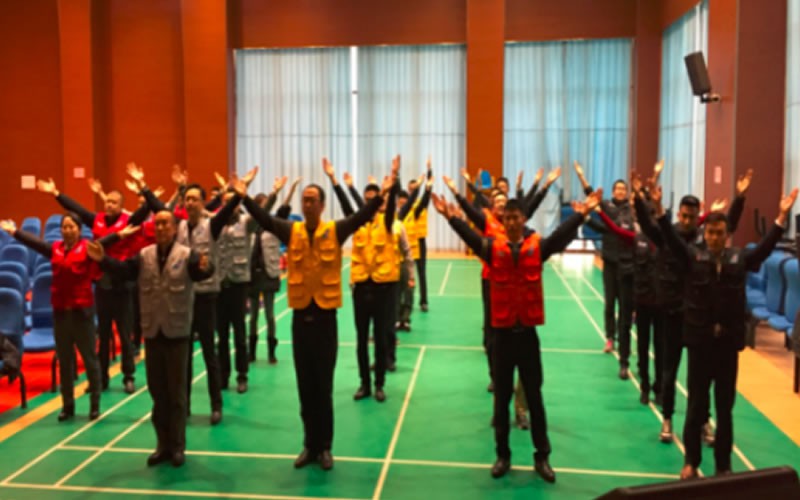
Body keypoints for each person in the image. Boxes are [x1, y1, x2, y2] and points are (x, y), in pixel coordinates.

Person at [433, 189, 603, 482]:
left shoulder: (537, 247)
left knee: (534, 397)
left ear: (524, 219)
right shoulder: (491, 248)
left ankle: (542, 456)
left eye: (516, 217)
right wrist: (451, 217)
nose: (511, 222)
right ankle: (503, 455)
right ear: (504, 220)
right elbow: (469, 237)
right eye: (507, 218)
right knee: (501, 401)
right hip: (501, 337)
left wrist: (582, 214)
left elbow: (560, 235)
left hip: (527, 336)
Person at [237, 167, 394, 471]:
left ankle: (325, 447)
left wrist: (381, 196)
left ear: (322, 206)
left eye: (312, 200)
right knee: (305, 387)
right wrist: (244, 197)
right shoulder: (291, 230)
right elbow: (264, 220)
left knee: (323, 387)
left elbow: (361, 217)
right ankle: (309, 444)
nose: (307, 205)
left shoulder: (335, 230)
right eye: (304, 200)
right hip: (300, 320)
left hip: (325, 321)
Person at [648, 183, 796, 479]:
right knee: (695, 405)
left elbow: (765, 249)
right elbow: (671, 240)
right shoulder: (692, 258)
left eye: (720, 233)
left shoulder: (739, 260)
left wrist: (781, 217)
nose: (714, 238)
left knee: (725, 409)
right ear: (705, 234)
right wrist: (660, 210)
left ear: (727, 236)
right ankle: (691, 461)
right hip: (699, 344)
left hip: (727, 347)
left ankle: (723, 466)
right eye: (711, 233)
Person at [87, 210, 214, 467]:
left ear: (174, 228)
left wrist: (207, 266)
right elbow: (124, 270)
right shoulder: (144, 256)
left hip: (177, 333)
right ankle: (162, 445)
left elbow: (203, 271)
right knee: (158, 392)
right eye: (157, 224)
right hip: (152, 332)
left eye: (166, 223)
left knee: (177, 394)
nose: (161, 227)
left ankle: (177, 446)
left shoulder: (187, 255)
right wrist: (103, 260)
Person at [635, 168, 749, 443]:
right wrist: (639, 199)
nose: (687, 221)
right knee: (669, 369)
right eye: (683, 216)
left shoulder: (704, 238)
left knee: (702, 376)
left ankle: (703, 422)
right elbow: (648, 225)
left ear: (698, 217)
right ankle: (667, 418)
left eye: (692, 216)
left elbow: (729, 225)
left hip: (699, 319)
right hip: (671, 314)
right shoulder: (667, 235)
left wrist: (739, 198)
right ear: (678, 215)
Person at [132, 164, 246, 423]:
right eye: (187, 199)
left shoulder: (212, 225)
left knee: (209, 354)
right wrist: (143, 186)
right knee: (183, 359)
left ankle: (216, 405)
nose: (190, 202)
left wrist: (238, 194)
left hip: (206, 298)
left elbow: (226, 211)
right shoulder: (179, 227)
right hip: (182, 300)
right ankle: (184, 406)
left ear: (203, 202)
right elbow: (158, 208)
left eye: (195, 199)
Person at [0, 215, 136, 421]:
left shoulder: (87, 248)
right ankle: (68, 406)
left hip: (83, 314)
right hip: (61, 314)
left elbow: (104, 242)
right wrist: (15, 232)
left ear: (79, 230)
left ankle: (94, 405)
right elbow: (36, 244)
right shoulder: (55, 249)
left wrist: (119, 235)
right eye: (65, 227)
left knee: (90, 361)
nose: (67, 230)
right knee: (64, 362)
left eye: (71, 226)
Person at [36, 177, 149, 393]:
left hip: (122, 286)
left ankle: (128, 376)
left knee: (125, 335)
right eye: (107, 202)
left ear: (121, 206)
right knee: (102, 336)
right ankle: (102, 378)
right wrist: (56, 193)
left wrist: (143, 189)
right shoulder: (96, 220)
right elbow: (76, 208)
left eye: (114, 202)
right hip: (102, 287)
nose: (109, 205)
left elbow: (145, 212)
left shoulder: (129, 222)